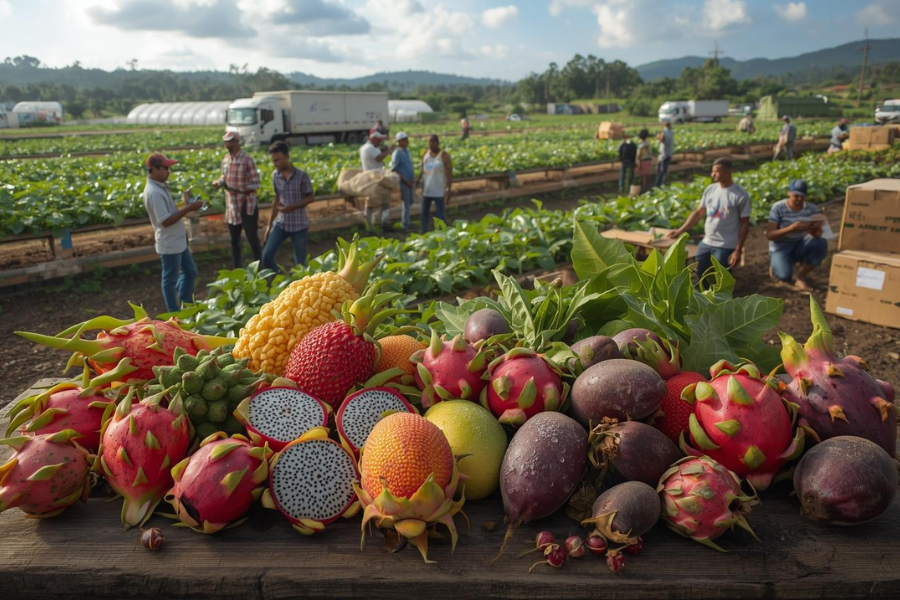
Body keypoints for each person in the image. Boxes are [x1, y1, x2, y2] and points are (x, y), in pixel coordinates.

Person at [666, 157, 751, 282]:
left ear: (727, 172)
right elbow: (699, 213)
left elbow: (745, 224)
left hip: (726, 244)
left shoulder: (740, 195)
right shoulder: (710, 189)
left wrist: (737, 250)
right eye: (713, 171)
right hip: (707, 242)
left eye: (716, 171)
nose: (713, 174)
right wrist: (680, 231)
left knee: (720, 278)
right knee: (701, 274)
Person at [142, 153, 203, 312]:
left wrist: (185, 201)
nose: (169, 171)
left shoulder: (159, 187)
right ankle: (174, 314)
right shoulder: (154, 192)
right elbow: (166, 221)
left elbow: (168, 212)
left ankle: (186, 303)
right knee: (169, 280)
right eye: (166, 168)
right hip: (169, 243)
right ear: (154, 169)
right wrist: (190, 208)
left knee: (190, 272)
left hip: (178, 241)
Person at [262, 142, 315, 272]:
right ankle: (280, 278)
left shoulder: (301, 175)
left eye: (278, 159)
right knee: (266, 256)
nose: (275, 163)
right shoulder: (275, 176)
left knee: (300, 262)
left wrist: (293, 207)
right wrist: (269, 226)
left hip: (299, 225)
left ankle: (299, 286)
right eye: (273, 160)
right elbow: (277, 199)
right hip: (281, 223)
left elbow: (311, 197)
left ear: (287, 157)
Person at [767, 179, 828, 291]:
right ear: (789, 193)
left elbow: (819, 234)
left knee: (821, 243)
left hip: (800, 243)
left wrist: (814, 228)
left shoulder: (811, 208)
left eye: (802, 196)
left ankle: (801, 277)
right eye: (796, 196)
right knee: (784, 276)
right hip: (781, 246)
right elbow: (770, 235)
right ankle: (777, 262)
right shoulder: (778, 208)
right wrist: (791, 228)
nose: (799, 199)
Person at [212, 131, 261, 268]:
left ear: (236, 142)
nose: (226, 144)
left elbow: (256, 183)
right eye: (225, 141)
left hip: (246, 205)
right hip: (232, 206)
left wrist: (243, 188)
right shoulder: (226, 160)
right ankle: (238, 268)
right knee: (234, 240)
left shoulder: (247, 160)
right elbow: (224, 177)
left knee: (252, 238)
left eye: (229, 141)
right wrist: (219, 182)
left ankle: (259, 265)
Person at [359, 129, 396, 230]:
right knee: (377, 202)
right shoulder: (370, 148)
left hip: (372, 178)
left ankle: (377, 224)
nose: (380, 142)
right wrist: (388, 151)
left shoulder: (365, 148)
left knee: (378, 202)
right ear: (374, 139)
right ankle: (374, 226)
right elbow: (378, 158)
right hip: (374, 179)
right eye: (379, 140)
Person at [416, 134, 453, 233]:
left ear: (438, 143)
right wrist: (418, 179)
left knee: (440, 215)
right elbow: (422, 168)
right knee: (424, 214)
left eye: (433, 142)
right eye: (429, 142)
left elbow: (449, 173)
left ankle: (443, 233)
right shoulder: (425, 154)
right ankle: (424, 233)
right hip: (426, 190)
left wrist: (449, 190)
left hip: (439, 191)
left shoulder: (444, 156)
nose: (431, 145)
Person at [390, 132, 415, 231]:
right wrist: (405, 180)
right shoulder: (397, 153)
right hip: (403, 181)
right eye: (404, 140)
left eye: (406, 139)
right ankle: (405, 224)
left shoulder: (407, 151)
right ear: (399, 142)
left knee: (410, 201)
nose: (406, 141)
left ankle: (407, 221)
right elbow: (394, 169)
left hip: (410, 180)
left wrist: (412, 178)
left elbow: (410, 165)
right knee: (406, 203)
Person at [655, 121, 674, 187]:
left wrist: (658, 136)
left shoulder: (665, 132)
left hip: (664, 155)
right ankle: (660, 184)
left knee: (661, 171)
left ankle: (659, 185)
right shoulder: (670, 132)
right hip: (667, 153)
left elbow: (663, 139)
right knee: (662, 171)